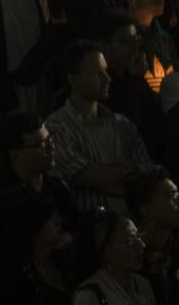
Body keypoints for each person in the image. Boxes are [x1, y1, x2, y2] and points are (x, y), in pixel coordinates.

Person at [45, 40, 157, 213]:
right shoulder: (56, 126)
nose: (107, 78)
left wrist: (98, 182)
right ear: (74, 80)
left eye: (105, 70)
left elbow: (147, 175)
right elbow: (84, 175)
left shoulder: (122, 124)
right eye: (97, 73)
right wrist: (128, 168)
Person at [73, 211, 158, 305]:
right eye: (129, 241)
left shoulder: (143, 285)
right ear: (106, 251)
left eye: (138, 237)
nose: (141, 245)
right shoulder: (90, 295)